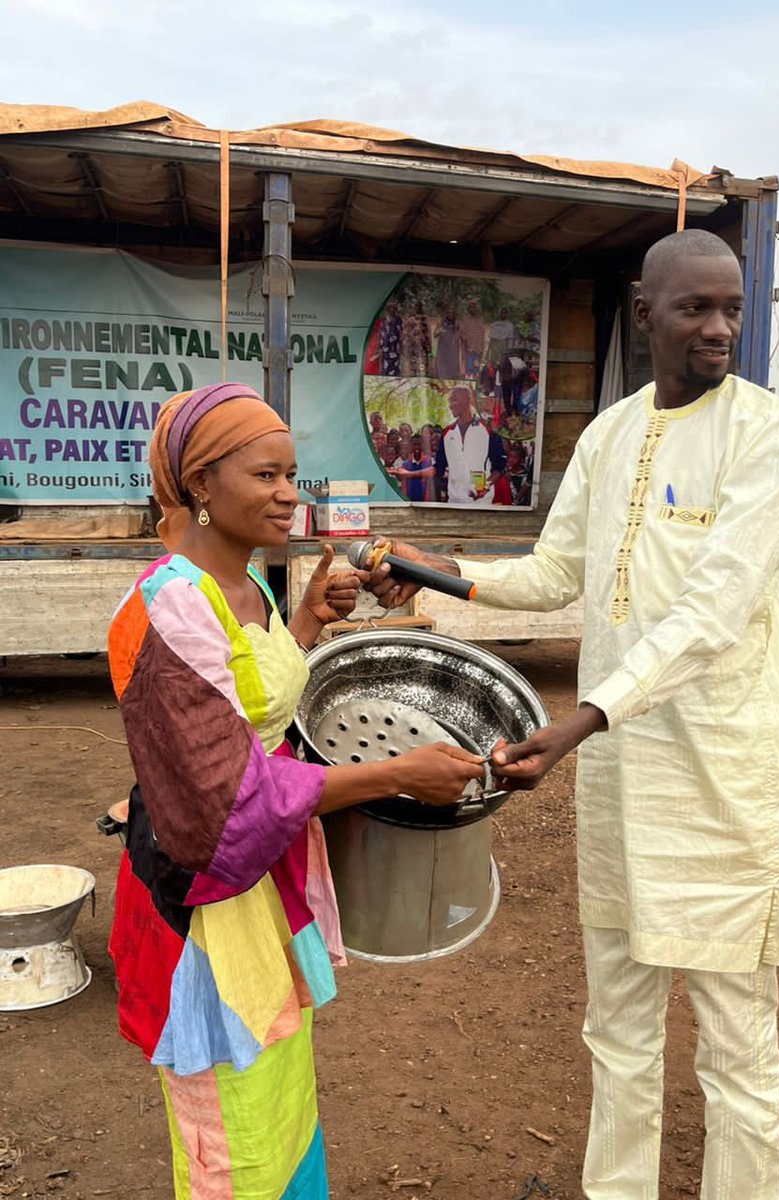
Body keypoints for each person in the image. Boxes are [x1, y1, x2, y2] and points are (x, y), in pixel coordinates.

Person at [365, 230, 779, 1200]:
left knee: (738, 1047)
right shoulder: (610, 437)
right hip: (620, 783)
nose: (719, 329)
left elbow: (713, 611)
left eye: (732, 308)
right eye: (696, 308)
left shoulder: (775, 436)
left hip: (720, 781)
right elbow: (557, 573)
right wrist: (434, 580)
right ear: (644, 311)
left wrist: (582, 719)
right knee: (618, 1028)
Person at [107, 382, 485, 1200]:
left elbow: (254, 701)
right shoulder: (166, 607)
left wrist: (306, 622)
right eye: (266, 476)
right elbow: (223, 802)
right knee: (232, 1133)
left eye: (293, 474)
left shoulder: (247, 589)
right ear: (200, 484)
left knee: (282, 1105)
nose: (289, 495)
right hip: (204, 906)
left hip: (264, 890)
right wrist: (396, 775)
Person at [434, 385, 506, 505]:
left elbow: (499, 466)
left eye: (454, 399)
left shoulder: (488, 429)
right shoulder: (447, 432)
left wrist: (486, 485)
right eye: (449, 401)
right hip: (454, 502)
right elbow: (439, 467)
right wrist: (409, 474)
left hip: (482, 503)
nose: (450, 405)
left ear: (468, 399)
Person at [458, 298, 487, 379]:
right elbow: (461, 334)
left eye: (474, 307)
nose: (472, 309)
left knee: (477, 373)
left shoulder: (480, 321)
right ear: (468, 308)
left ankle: (474, 390)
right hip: (469, 350)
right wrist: (466, 346)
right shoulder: (464, 320)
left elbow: (482, 335)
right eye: (471, 307)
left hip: (478, 350)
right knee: (469, 372)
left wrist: (481, 350)